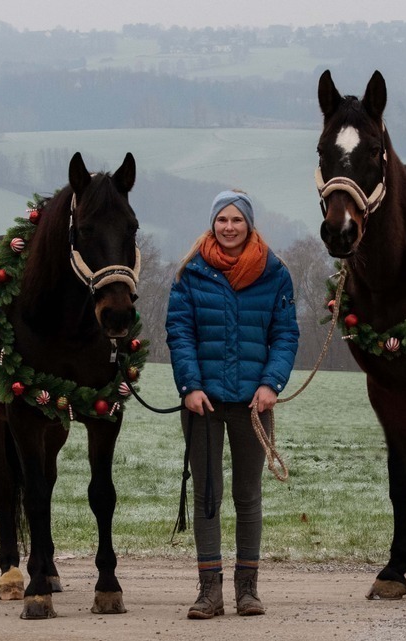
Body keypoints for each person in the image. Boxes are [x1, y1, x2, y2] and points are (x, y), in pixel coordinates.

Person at [166, 189, 299, 619]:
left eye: (236, 220)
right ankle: (210, 591)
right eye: (221, 220)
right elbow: (179, 331)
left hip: (252, 405)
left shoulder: (275, 273)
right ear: (212, 224)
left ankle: (248, 590)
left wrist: (271, 383)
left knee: (247, 495)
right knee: (207, 496)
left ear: (249, 224)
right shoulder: (190, 273)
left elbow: (285, 334)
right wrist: (189, 385)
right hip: (202, 403)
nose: (228, 227)